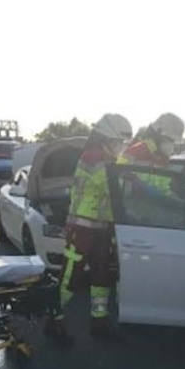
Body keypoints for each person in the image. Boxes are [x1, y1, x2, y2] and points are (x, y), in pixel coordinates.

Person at [45, 113, 133, 341]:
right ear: (105, 139)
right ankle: (54, 319)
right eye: (117, 143)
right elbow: (110, 183)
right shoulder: (93, 158)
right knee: (70, 277)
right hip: (82, 227)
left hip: (102, 227)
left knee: (101, 274)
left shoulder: (107, 160)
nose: (119, 147)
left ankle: (99, 320)